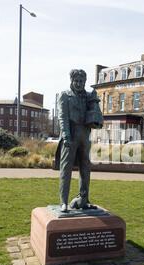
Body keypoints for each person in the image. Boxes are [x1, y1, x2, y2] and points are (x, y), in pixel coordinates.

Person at [57, 69, 103, 212]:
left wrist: (95, 100)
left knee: (85, 168)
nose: (79, 84)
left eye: (82, 81)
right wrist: (65, 136)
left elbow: (95, 113)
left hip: (85, 135)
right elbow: (62, 117)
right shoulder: (65, 95)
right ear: (71, 81)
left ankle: (84, 198)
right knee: (66, 169)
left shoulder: (88, 96)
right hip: (70, 134)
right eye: (76, 81)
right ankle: (63, 201)